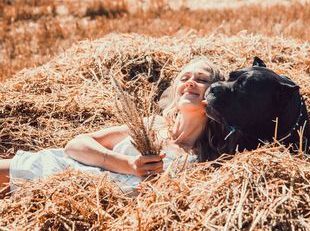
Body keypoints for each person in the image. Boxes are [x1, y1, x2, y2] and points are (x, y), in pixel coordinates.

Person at [0, 57, 225, 197]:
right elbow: (75, 145)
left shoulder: (202, 157)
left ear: (216, 92)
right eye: (184, 77)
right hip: (62, 171)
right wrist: (128, 164)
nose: (190, 82)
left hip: (87, 197)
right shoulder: (151, 126)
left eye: (202, 79)